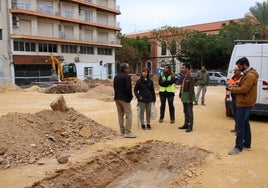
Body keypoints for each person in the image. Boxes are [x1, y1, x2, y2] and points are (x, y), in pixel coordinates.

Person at [227, 57, 259, 155]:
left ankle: (238, 147)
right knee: (245, 123)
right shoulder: (248, 74)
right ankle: (247, 144)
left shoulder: (250, 75)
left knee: (240, 125)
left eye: (239, 66)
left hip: (244, 103)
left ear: (244, 64)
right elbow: (244, 87)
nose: (238, 68)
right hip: (245, 102)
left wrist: (232, 89)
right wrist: (235, 87)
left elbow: (245, 89)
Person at [113, 63, 136, 138]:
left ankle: (122, 131)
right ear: (125, 69)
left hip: (117, 98)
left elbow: (114, 87)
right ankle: (128, 132)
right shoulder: (126, 76)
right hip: (124, 99)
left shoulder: (116, 76)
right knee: (129, 115)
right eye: (128, 68)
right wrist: (130, 97)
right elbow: (128, 88)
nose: (129, 69)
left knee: (120, 115)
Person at [178, 63, 195, 132]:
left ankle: (190, 126)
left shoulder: (190, 77)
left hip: (188, 96)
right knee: (185, 111)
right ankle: (186, 124)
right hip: (184, 95)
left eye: (183, 68)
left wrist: (189, 98)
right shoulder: (184, 76)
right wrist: (180, 93)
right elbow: (182, 86)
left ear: (187, 69)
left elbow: (191, 89)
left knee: (189, 112)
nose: (182, 69)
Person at [226, 66, 242, 133]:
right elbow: (227, 87)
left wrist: (232, 87)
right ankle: (236, 127)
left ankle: (239, 129)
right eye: (234, 70)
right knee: (235, 114)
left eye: (236, 70)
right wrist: (232, 87)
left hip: (240, 98)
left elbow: (239, 88)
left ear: (240, 71)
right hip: (233, 98)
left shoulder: (242, 79)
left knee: (239, 115)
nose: (235, 72)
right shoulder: (231, 79)